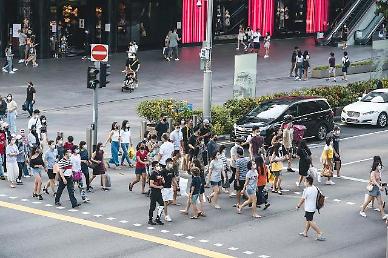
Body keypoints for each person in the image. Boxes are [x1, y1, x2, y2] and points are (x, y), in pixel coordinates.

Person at [296, 176, 326, 241]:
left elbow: (302, 199)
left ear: (308, 182)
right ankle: (305, 232)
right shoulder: (315, 188)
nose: (304, 182)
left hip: (309, 208)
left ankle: (319, 232)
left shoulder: (306, 190)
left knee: (310, 221)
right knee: (308, 220)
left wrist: (298, 205)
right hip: (314, 207)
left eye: (305, 181)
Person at [148, 161, 165, 225]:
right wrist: (158, 187)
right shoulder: (153, 174)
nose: (159, 167)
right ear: (154, 167)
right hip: (154, 192)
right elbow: (151, 184)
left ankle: (158, 218)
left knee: (162, 204)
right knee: (152, 206)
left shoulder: (160, 173)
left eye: (159, 165)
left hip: (159, 192)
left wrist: (163, 180)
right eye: (157, 166)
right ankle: (150, 219)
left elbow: (163, 182)